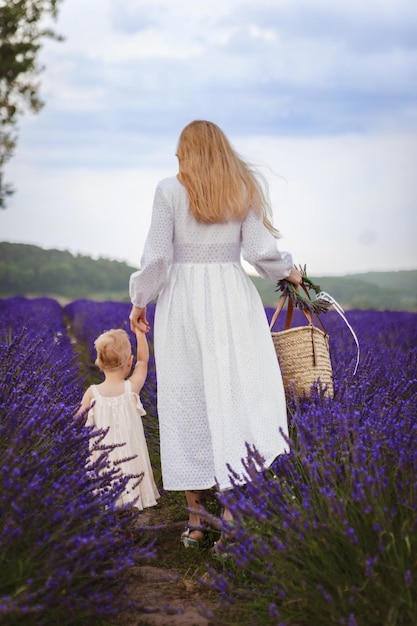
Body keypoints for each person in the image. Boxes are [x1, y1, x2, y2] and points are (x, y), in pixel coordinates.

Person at [129, 120, 302, 549]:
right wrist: (290, 271)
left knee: (184, 400)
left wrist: (139, 300)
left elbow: (156, 256)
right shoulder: (241, 189)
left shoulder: (168, 190)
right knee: (234, 398)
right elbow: (261, 253)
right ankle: (231, 513)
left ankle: (195, 522)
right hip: (232, 299)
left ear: (188, 151)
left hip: (182, 303)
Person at [77, 326, 160, 510]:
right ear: (129, 362)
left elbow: (77, 420)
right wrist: (140, 333)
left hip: (104, 457)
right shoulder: (131, 388)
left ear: (98, 363)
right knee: (131, 490)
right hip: (131, 455)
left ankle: (115, 528)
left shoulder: (92, 393)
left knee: (107, 492)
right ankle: (128, 522)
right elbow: (144, 361)